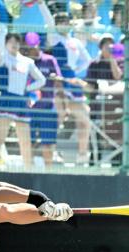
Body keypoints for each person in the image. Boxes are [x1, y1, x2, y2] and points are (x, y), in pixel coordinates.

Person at [0, 33, 46, 168]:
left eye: (17, 41)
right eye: (11, 41)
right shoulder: (3, 58)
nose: (14, 44)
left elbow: (41, 80)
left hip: (21, 102)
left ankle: (28, 170)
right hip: (7, 100)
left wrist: (27, 89)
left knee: (25, 141)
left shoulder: (27, 62)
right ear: (6, 43)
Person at [46, 12, 92, 165]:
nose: (63, 24)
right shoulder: (54, 37)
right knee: (57, 118)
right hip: (58, 80)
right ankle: (51, 152)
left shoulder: (75, 41)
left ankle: (82, 155)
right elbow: (48, 21)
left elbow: (87, 60)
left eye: (66, 21)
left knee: (84, 120)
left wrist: (74, 70)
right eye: (60, 21)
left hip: (72, 80)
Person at [23, 32, 62, 167]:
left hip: (48, 109)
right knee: (29, 143)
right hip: (29, 110)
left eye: (34, 45)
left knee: (48, 144)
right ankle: (29, 170)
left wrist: (55, 78)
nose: (32, 48)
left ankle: (49, 171)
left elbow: (59, 82)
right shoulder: (24, 61)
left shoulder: (50, 60)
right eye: (29, 46)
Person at [85, 33, 125, 164]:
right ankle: (95, 160)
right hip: (98, 106)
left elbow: (118, 77)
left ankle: (116, 161)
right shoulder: (94, 64)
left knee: (116, 132)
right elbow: (89, 86)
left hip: (115, 106)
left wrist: (113, 60)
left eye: (111, 45)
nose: (109, 48)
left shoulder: (120, 62)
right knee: (96, 135)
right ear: (101, 47)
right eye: (106, 45)